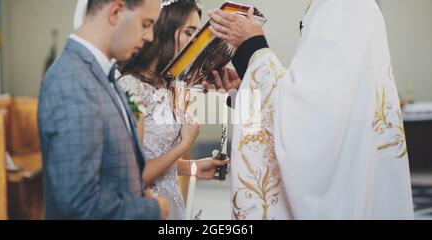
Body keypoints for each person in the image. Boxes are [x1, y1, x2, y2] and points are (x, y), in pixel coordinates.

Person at [207, 0, 414, 219]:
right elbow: (310, 105)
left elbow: (309, 120)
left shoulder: (343, 6)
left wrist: (252, 46)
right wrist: (244, 89)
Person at [38, 0, 167, 220]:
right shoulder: (72, 81)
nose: (150, 37)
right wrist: (151, 210)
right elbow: (77, 203)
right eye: (146, 23)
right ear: (116, 12)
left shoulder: (100, 71)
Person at [118, 0, 227, 220]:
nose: (196, 44)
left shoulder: (164, 86)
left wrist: (192, 167)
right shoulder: (131, 88)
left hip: (169, 203)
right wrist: (185, 145)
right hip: (146, 207)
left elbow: (155, 158)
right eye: (189, 33)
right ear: (164, 31)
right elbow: (134, 177)